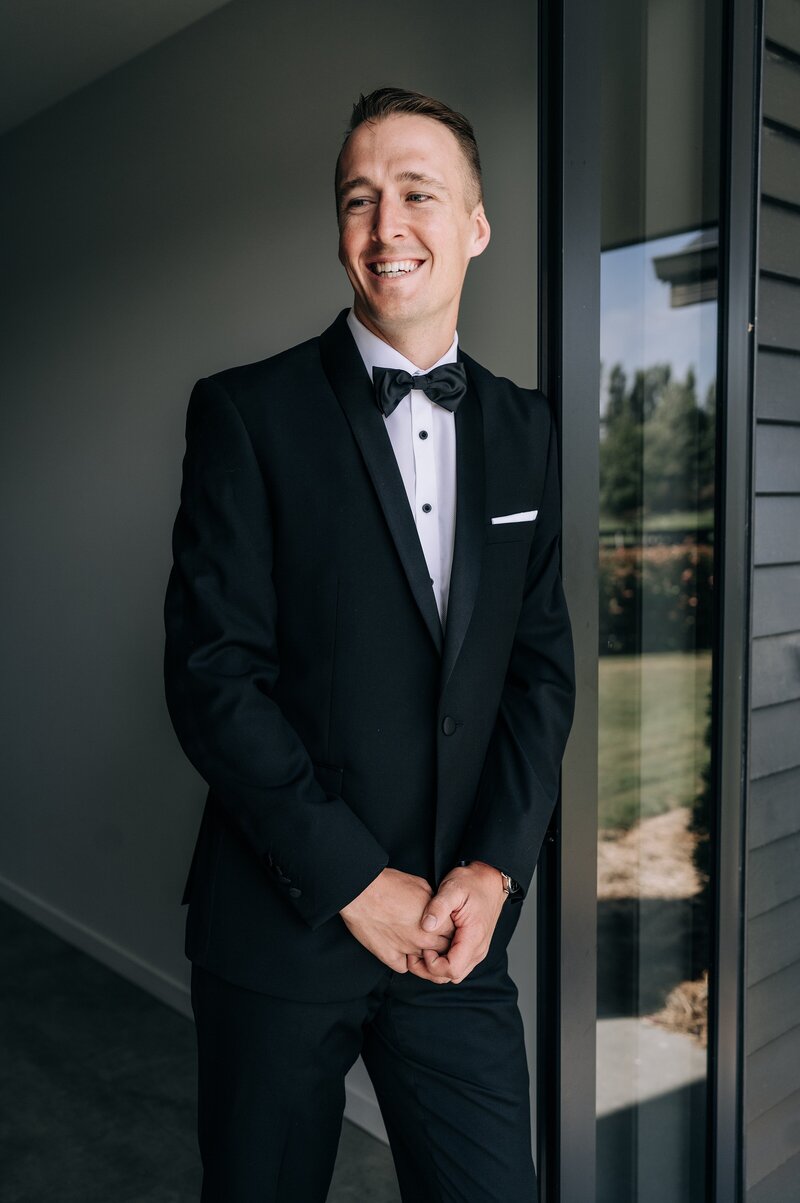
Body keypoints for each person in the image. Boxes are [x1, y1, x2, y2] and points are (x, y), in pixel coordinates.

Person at [164, 86, 575, 1203]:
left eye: (416, 194)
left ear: (475, 226)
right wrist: (353, 880)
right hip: (280, 930)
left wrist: (493, 872)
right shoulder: (245, 414)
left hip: (456, 934)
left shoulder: (529, 431)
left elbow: (539, 674)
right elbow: (212, 677)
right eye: (360, 199)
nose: (386, 226)